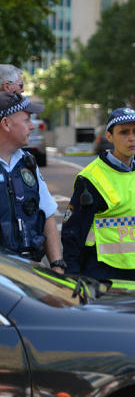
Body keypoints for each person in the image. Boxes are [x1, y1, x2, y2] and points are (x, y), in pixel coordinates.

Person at [62, 107, 135, 284]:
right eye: (124, 132)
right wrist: (72, 277)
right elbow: (73, 233)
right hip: (106, 275)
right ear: (109, 136)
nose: (132, 138)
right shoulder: (91, 178)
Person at [0, 92, 64, 273]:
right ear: (6, 123)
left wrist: (57, 266)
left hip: (30, 273)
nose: (32, 126)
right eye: (27, 120)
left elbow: (47, 214)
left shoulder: (28, 163)